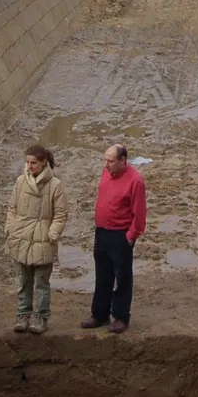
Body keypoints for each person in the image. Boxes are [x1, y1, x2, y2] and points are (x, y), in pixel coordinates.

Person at [4, 144, 69, 334]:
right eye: (28, 162)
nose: (30, 166)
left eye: (33, 162)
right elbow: (12, 208)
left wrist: (52, 235)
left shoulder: (55, 185)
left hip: (43, 240)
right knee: (23, 280)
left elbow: (61, 214)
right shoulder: (20, 182)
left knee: (41, 282)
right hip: (21, 237)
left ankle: (40, 317)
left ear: (43, 163)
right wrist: (10, 228)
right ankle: (22, 314)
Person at [81, 143, 146, 334]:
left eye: (110, 161)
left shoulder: (136, 181)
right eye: (105, 160)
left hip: (121, 235)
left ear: (122, 160)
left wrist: (130, 236)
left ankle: (121, 317)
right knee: (102, 276)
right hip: (102, 232)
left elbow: (140, 214)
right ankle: (100, 314)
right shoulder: (106, 173)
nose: (106, 164)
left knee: (122, 277)